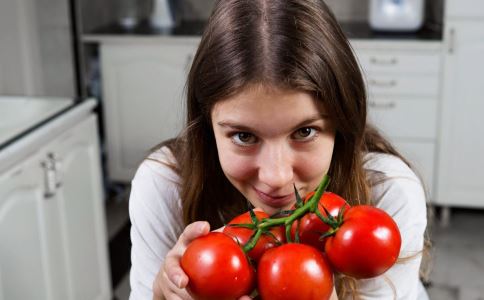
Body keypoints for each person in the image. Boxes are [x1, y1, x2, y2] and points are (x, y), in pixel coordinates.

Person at [128, 0, 429, 299]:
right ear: (206, 125)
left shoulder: (388, 193)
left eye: (305, 131)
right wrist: (159, 295)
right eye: (244, 136)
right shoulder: (164, 183)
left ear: (342, 122)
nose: (276, 177)